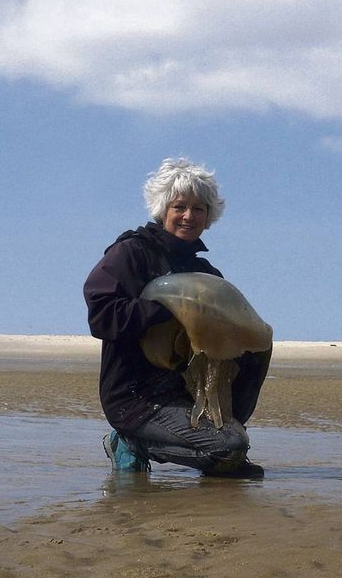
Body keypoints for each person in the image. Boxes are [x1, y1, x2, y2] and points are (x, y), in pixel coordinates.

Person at [83, 158, 268, 478]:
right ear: (162, 209)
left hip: (182, 391)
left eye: (199, 208)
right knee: (230, 447)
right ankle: (130, 443)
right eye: (179, 206)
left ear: (209, 216)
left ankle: (218, 444)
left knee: (251, 357)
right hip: (135, 397)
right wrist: (167, 308)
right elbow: (102, 315)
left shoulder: (206, 274)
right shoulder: (131, 253)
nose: (188, 216)